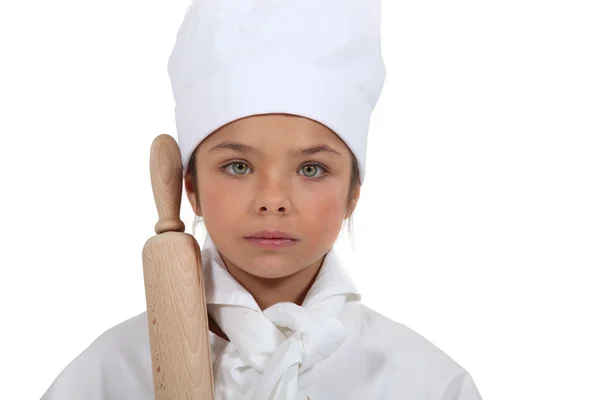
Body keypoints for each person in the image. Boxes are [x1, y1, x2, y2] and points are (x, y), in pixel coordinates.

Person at [41, 1, 483, 399]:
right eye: (238, 166)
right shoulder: (105, 378)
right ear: (190, 188)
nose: (273, 200)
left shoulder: (427, 384)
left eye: (311, 169)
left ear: (353, 193)